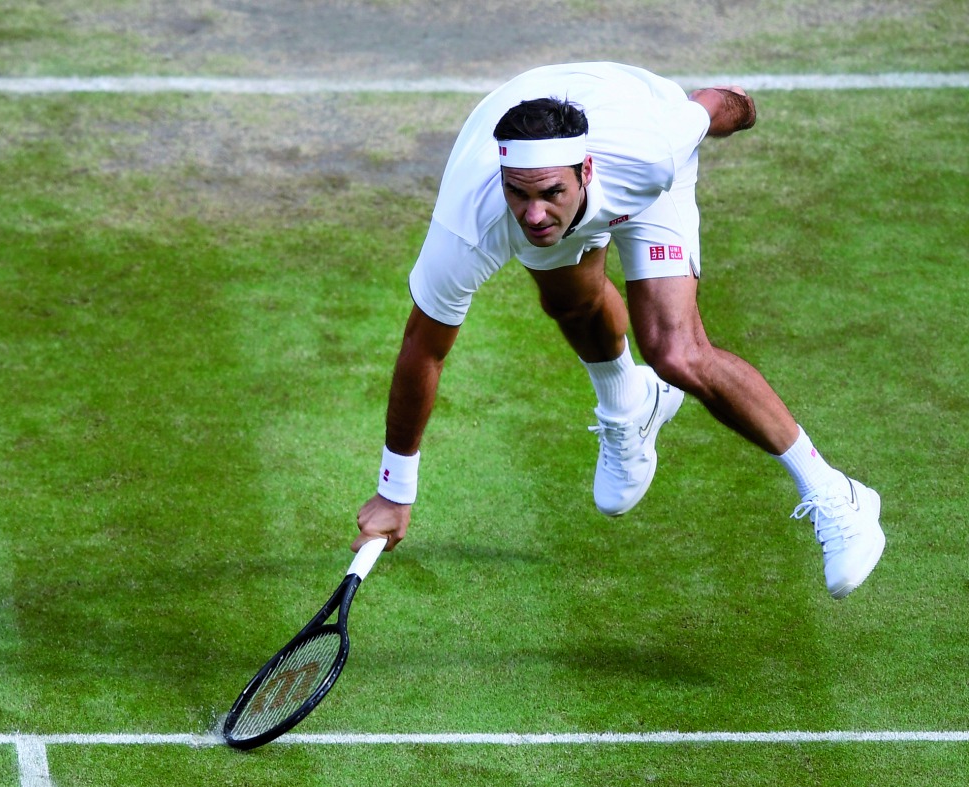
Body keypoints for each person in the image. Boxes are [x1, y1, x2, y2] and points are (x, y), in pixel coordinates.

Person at [352, 62, 885, 599]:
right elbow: (423, 350)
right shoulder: (475, 223)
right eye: (519, 193)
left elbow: (718, 101)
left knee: (675, 351)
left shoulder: (650, 152)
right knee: (571, 304)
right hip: (547, 145)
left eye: (549, 193)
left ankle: (837, 492)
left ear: (585, 170)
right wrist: (396, 491)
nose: (533, 214)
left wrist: (740, 110)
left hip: (642, 157)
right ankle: (629, 401)